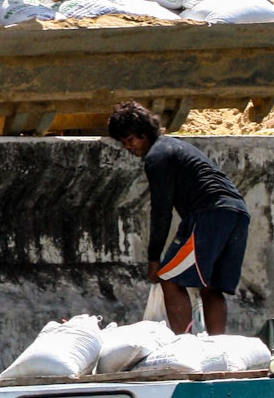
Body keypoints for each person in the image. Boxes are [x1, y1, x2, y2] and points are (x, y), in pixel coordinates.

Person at [106, 102, 250, 335]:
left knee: (169, 278)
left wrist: (154, 259)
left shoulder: (157, 156)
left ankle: (183, 349)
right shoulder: (175, 147)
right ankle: (218, 348)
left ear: (144, 133)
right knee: (211, 286)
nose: (128, 147)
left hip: (208, 215)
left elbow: (161, 211)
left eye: (130, 140)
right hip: (237, 213)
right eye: (123, 143)